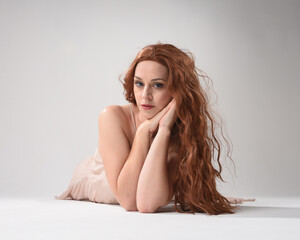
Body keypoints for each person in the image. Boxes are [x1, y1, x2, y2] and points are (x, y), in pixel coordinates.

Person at [55, 43, 255, 215]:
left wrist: (164, 130)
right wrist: (143, 132)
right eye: (139, 84)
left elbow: (146, 204)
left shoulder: (181, 134)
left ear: (178, 92)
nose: (145, 96)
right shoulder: (112, 116)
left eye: (158, 85)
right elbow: (129, 201)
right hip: (90, 178)